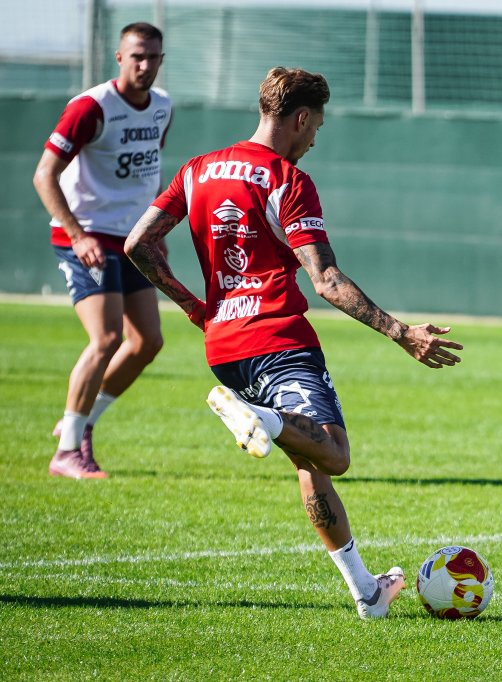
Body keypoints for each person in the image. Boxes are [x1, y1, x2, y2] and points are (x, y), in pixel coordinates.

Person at [124, 67, 463, 619]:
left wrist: (192, 305)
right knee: (334, 451)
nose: (313, 140)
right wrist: (402, 334)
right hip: (278, 339)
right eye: (316, 128)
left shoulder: (197, 170)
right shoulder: (286, 178)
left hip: (224, 346)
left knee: (311, 464)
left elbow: (140, 243)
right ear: (301, 117)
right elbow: (325, 280)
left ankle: (367, 593)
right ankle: (263, 417)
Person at [34, 23, 172, 479]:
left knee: (148, 341)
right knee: (107, 338)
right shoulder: (92, 108)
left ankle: (82, 422)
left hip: (130, 239)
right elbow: (44, 175)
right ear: (119, 57)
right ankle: (67, 452)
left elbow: (147, 174)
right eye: (137, 56)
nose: (145, 65)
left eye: (153, 57)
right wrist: (77, 235)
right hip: (87, 236)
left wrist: (157, 233)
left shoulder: (162, 107)